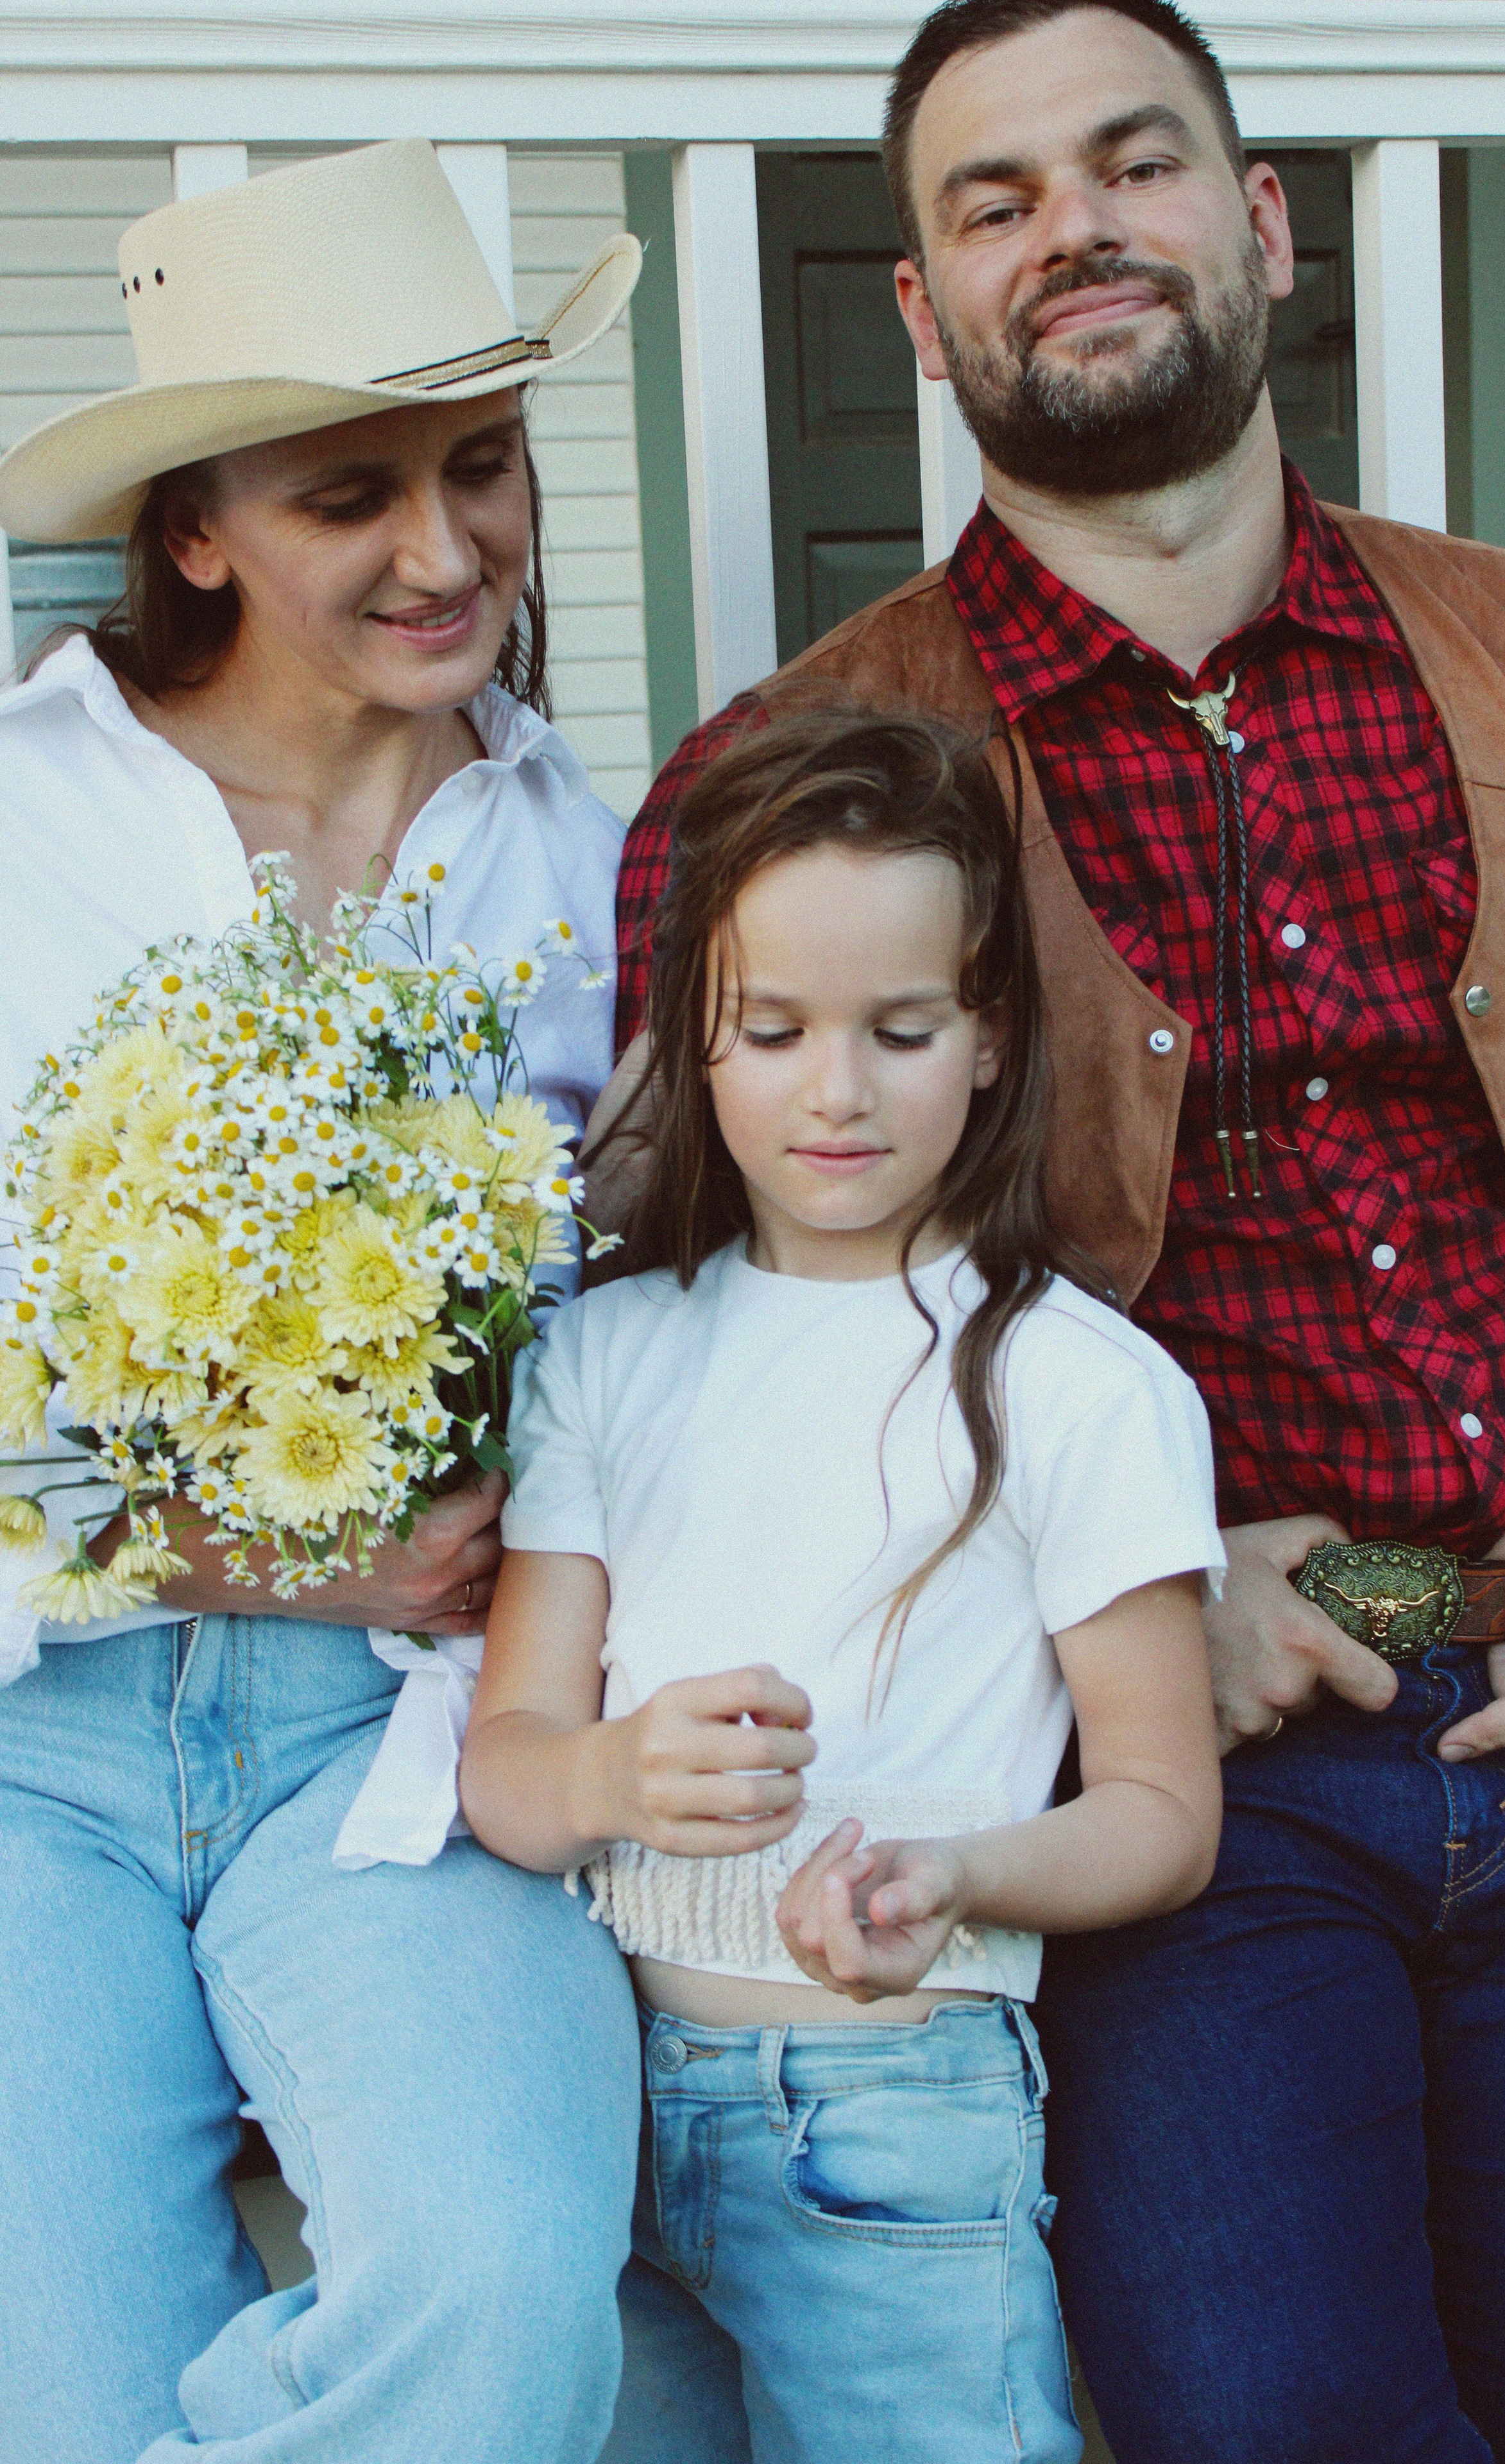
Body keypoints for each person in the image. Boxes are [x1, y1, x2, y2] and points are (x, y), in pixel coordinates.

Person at [609, 5, 1505, 2460]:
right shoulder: (789, 786)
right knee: (1271, 2412)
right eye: (992, 200)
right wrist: (1154, 1584)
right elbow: (698, 1367)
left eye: (1135, 163)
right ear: (921, 309)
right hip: (1180, 1802)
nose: (1073, 228)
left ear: (1260, 226)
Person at [0, 141, 645, 2463]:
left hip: (401, 1749)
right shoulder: (19, 828)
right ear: (195, 528)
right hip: (24, 1751)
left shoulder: (604, 867)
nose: (447, 552)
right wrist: (186, 1546)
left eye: (485, 469)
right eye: (352, 491)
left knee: (491, 2296)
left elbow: (661, 1334)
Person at [461, 707, 1225, 2464]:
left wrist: (959, 1869)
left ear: (988, 1041)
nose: (837, 1091)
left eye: (901, 1030)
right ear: (694, 1045)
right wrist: (607, 1772)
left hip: (900, 2114)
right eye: (774, 1030)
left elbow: (1164, 1811)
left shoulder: (1078, 1385)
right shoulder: (611, 1357)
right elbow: (509, 1764)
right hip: (602, 2112)